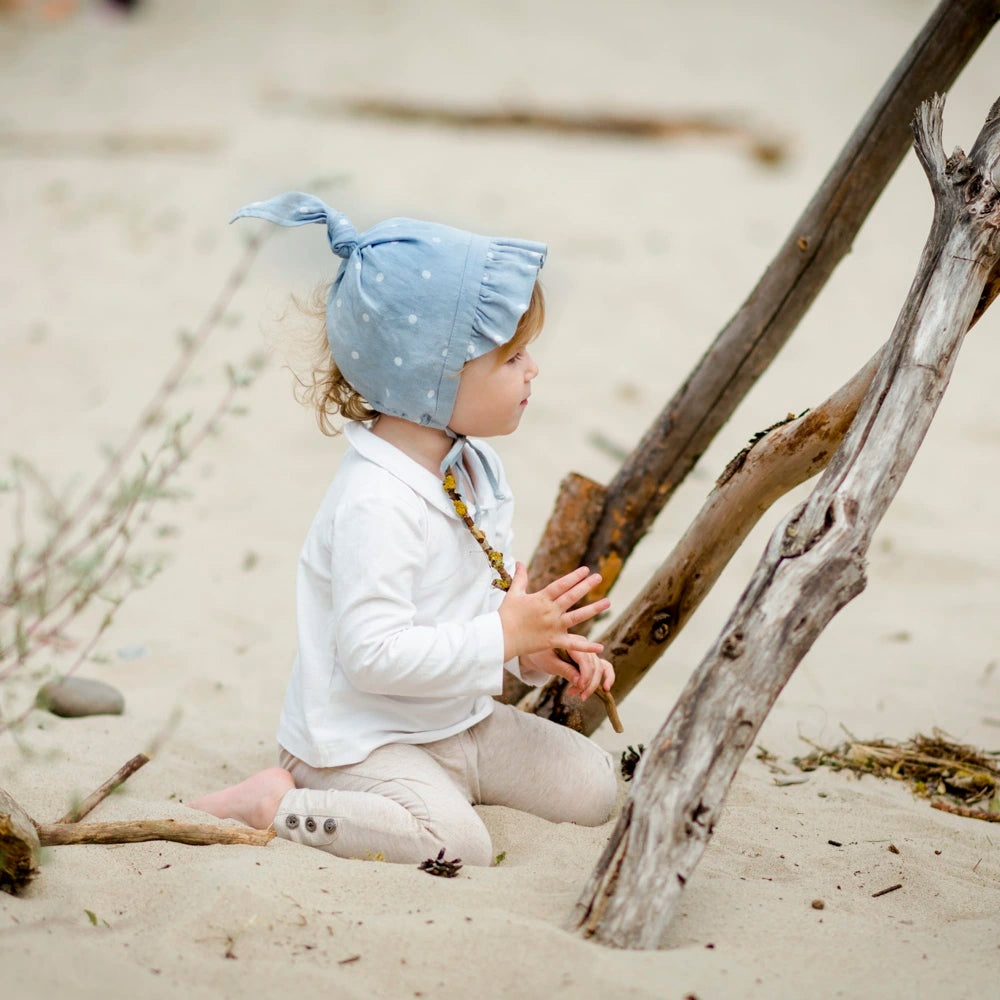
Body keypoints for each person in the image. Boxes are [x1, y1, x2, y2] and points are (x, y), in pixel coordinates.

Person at [191, 192, 618, 866]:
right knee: (457, 845)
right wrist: (499, 633)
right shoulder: (377, 502)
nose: (532, 369)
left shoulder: (473, 467)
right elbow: (372, 655)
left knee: (595, 787)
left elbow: (467, 610)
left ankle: (432, 790)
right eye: (511, 359)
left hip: (455, 722)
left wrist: (529, 652)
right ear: (434, 379)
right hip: (359, 742)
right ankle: (277, 804)